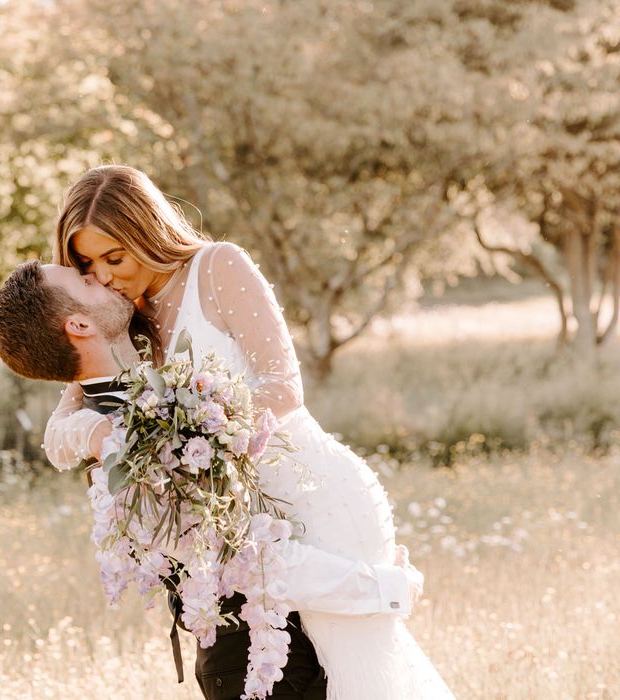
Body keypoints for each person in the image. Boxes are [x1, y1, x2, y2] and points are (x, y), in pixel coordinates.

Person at [41, 165, 455, 699]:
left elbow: (282, 388)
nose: (103, 276)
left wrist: (186, 434)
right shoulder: (117, 321)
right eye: (86, 265)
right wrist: (109, 438)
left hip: (312, 494)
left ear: (146, 231)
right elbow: (58, 432)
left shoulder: (218, 268)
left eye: (114, 257)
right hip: (246, 531)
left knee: (361, 672)